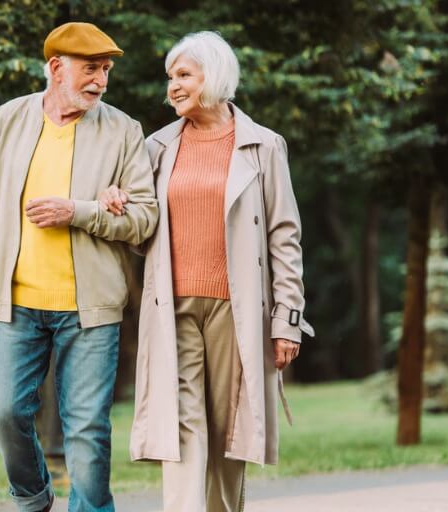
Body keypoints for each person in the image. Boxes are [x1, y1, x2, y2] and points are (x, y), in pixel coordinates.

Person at [100, 31, 315, 511]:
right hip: (172, 305)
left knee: (227, 429)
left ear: (213, 77)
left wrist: (287, 320)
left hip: (235, 309)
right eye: (170, 77)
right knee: (180, 425)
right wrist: (117, 204)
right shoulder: (155, 147)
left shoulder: (263, 146)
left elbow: (285, 237)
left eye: (183, 76)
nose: (172, 87)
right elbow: (141, 232)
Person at [0, 22, 158, 512]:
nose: (101, 81)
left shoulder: (124, 131)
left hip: (90, 311)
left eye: (106, 70)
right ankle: (33, 499)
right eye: (91, 69)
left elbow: (145, 218)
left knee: (86, 429)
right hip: (15, 304)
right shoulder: (7, 120)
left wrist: (80, 212)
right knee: (4, 413)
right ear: (56, 68)